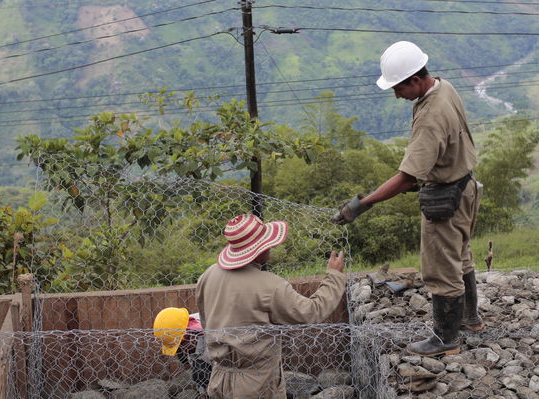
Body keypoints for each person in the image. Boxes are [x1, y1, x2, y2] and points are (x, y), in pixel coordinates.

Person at [332, 41, 483, 357]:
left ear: (415, 80)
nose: (396, 95)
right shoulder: (445, 87)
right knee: (461, 255)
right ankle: (470, 319)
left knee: (441, 269)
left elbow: (407, 177)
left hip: (447, 200)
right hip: (466, 187)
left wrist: (363, 204)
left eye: (398, 87)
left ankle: (446, 340)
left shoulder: (431, 115)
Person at [196, 213, 346, 398]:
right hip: (256, 385)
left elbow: (205, 321)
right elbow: (311, 312)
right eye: (267, 241)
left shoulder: (208, 276)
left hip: (219, 378)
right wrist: (334, 276)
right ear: (257, 249)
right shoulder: (269, 286)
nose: (272, 245)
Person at [153, 307, 212, 398]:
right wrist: (202, 393)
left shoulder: (211, 333)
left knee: (201, 370)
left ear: (190, 334)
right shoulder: (181, 325)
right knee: (196, 367)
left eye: (182, 344)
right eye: (179, 346)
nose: (182, 348)